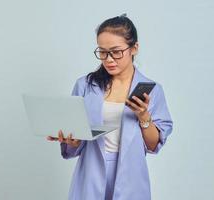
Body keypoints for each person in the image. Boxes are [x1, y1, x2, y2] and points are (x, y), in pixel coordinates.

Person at [47, 14, 173, 200]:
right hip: (91, 171)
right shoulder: (85, 86)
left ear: (134, 48)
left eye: (116, 51)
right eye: (102, 52)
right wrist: (72, 141)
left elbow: (153, 145)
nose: (108, 59)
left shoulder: (151, 90)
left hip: (131, 176)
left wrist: (144, 116)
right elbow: (75, 143)